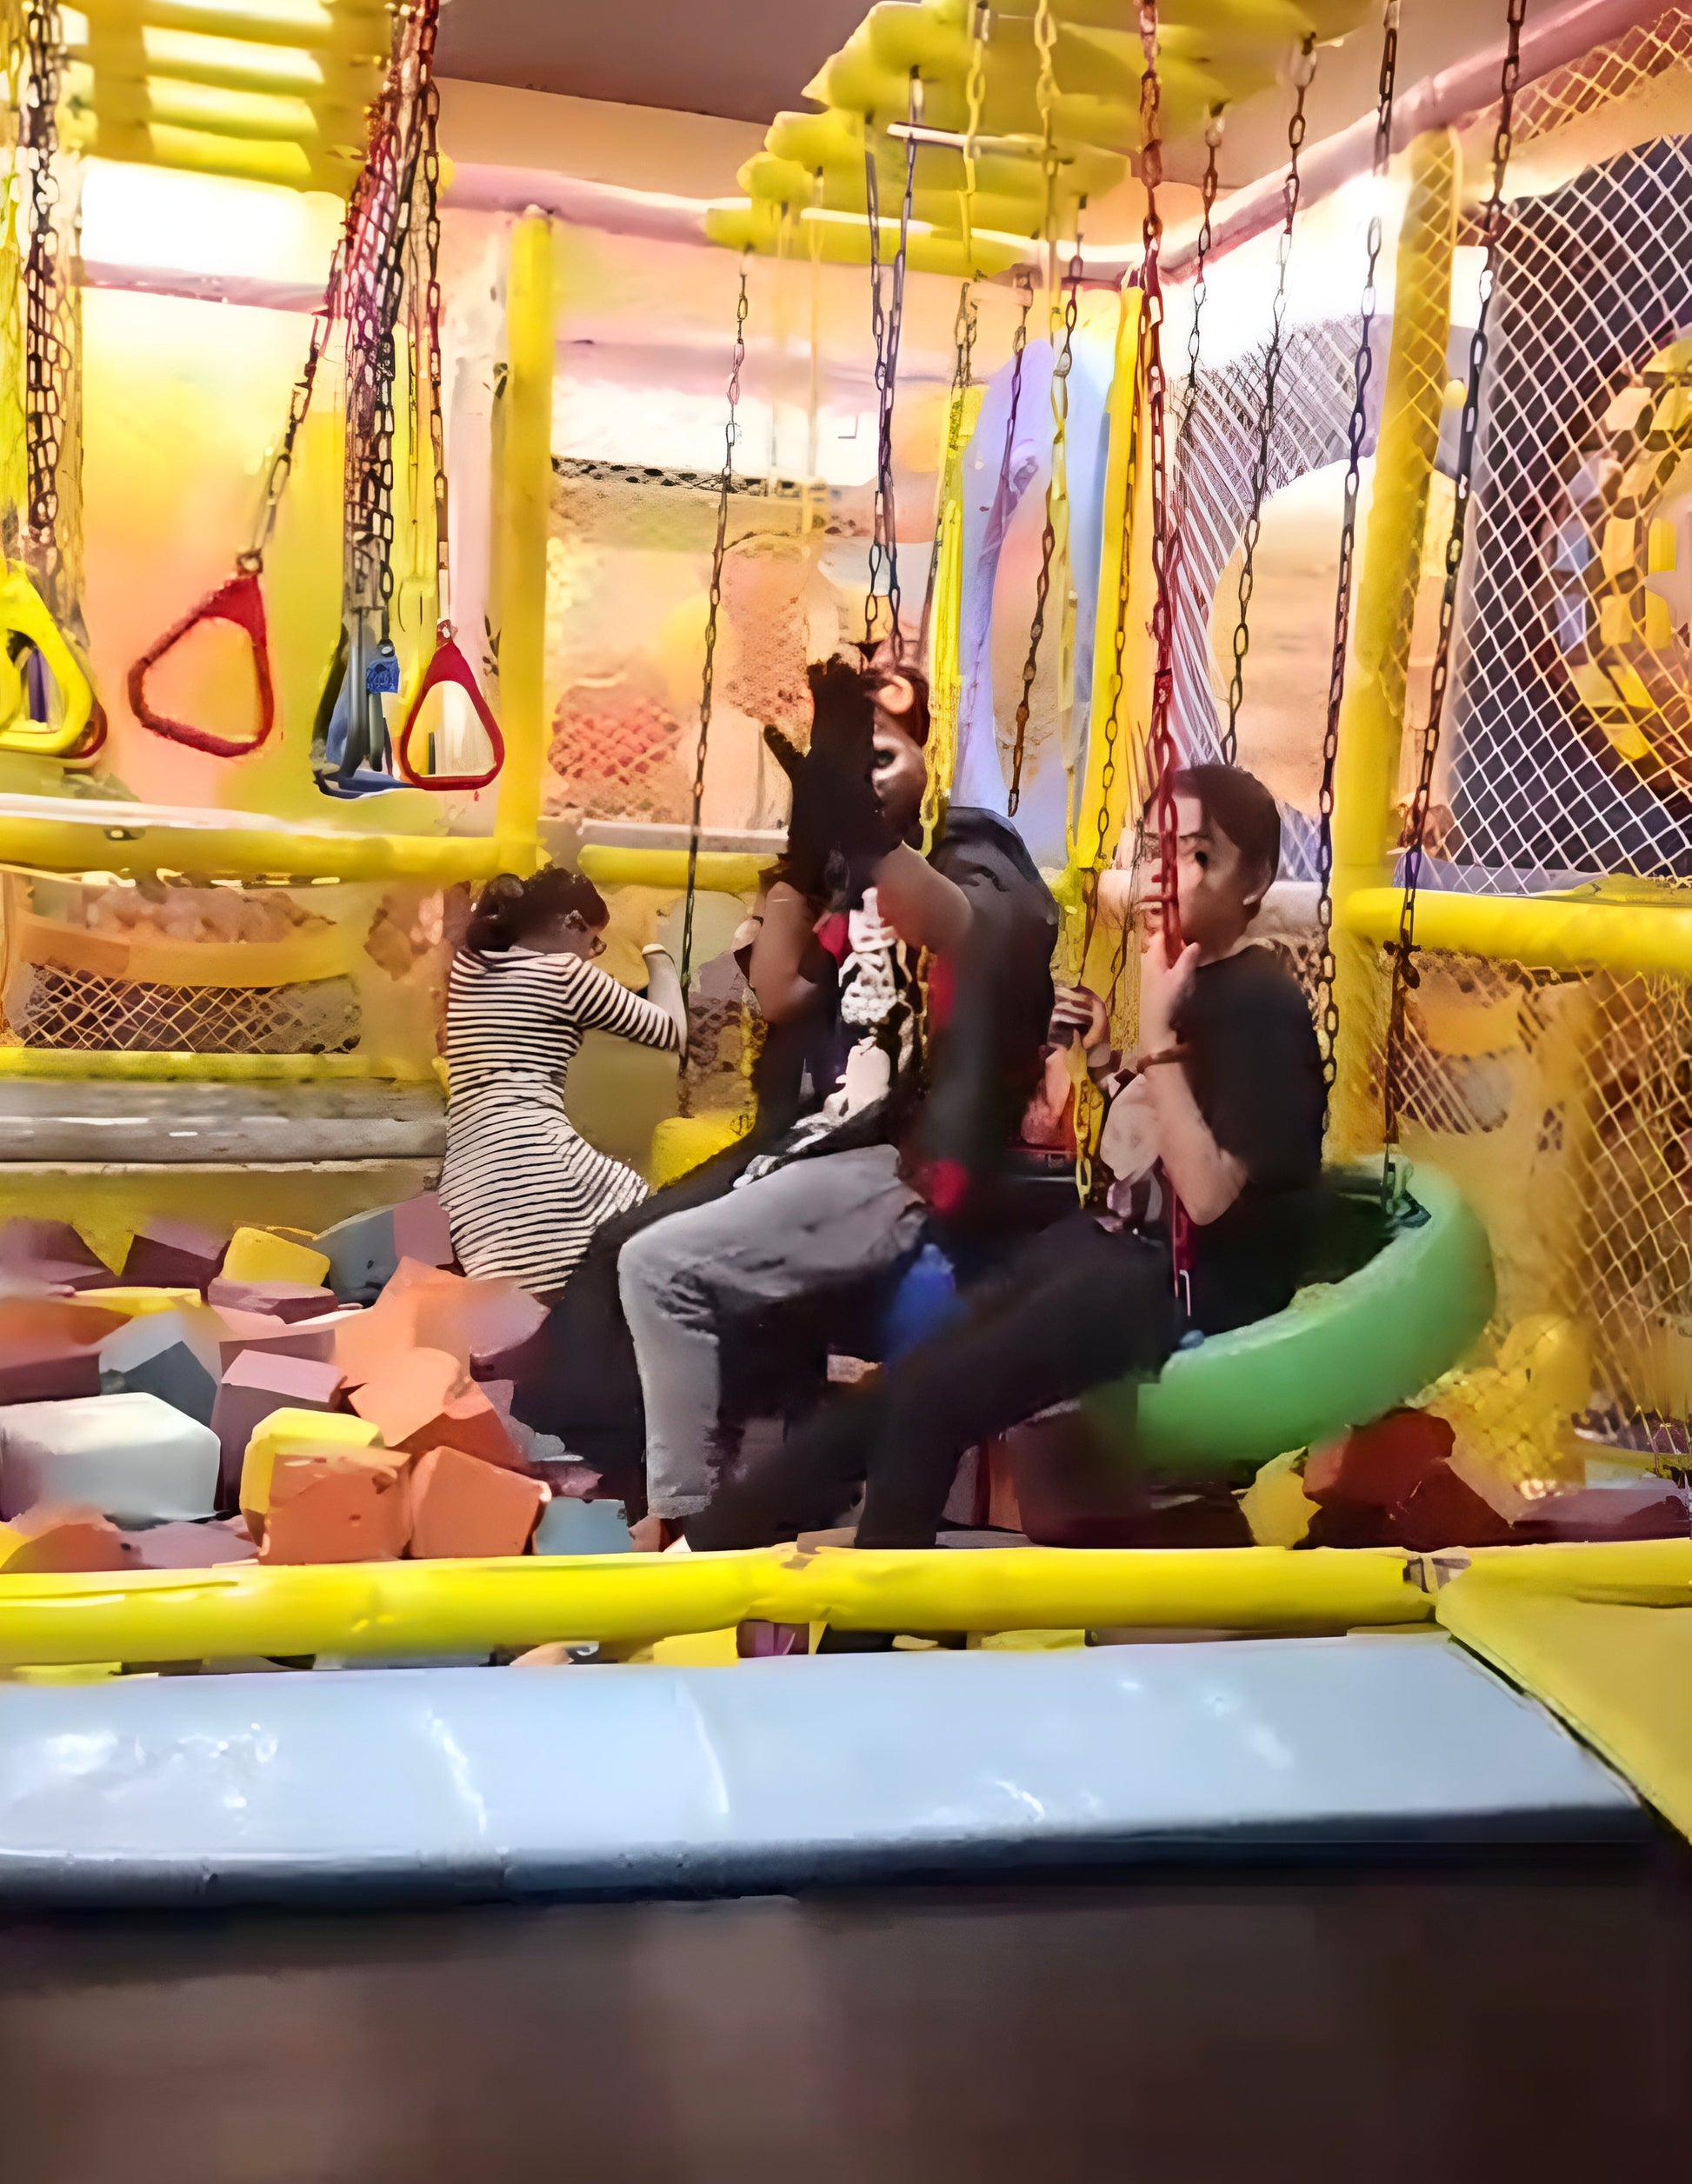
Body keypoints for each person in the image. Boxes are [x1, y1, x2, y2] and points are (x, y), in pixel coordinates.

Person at [689, 762, 1326, 1565]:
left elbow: (1205, 1202)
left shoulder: (1261, 1001)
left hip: (1189, 1280)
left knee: (931, 1399)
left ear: (1255, 880)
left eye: (1199, 856)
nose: (1167, 877)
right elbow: (1144, 1150)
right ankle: (692, 1564)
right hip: (1120, 1247)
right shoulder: (1195, 979)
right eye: (1156, 852)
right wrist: (1106, 1063)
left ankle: (860, 1650)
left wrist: (1158, 1038)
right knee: (893, 1390)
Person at [615, 652, 1059, 1541]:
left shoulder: (967, 855)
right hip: (821, 1134)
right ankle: (714, 1496)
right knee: (630, 1250)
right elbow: (777, 992)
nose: (870, 775)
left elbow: (961, 926)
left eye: (889, 752)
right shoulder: (850, 887)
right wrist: (804, 853)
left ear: (930, 756)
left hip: (896, 1156)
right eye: (855, 763)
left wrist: (860, 833)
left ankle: (684, 1522)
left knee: (654, 1264)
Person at [440, 864, 685, 1295]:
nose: (592, 955)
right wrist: (655, 952)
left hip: (468, 1187)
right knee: (662, 1234)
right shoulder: (564, 975)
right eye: (593, 941)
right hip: (540, 1167)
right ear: (571, 921)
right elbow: (671, 1032)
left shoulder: (469, 967)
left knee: (521, 1327)